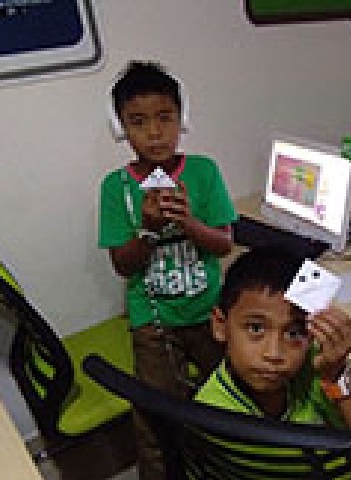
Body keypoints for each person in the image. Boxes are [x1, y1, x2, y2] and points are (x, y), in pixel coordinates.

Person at [196, 246, 351, 479]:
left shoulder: (316, 367)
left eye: (294, 333)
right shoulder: (213, 415)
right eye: (256, 328)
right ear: (220, 325)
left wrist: (336, 377)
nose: (274, 353)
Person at [98, 61, 236, 480]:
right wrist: (149, 230)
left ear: (182, 118)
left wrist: (188, 223)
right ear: (121, 128)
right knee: (155, 416)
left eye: (164, 118)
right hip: (154, 320)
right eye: (138, 122)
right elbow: (123, 265)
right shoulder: (116, 188)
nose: (155, 133)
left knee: (232, 399)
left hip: (210, 311)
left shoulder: (204, 171)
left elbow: (224, 243)